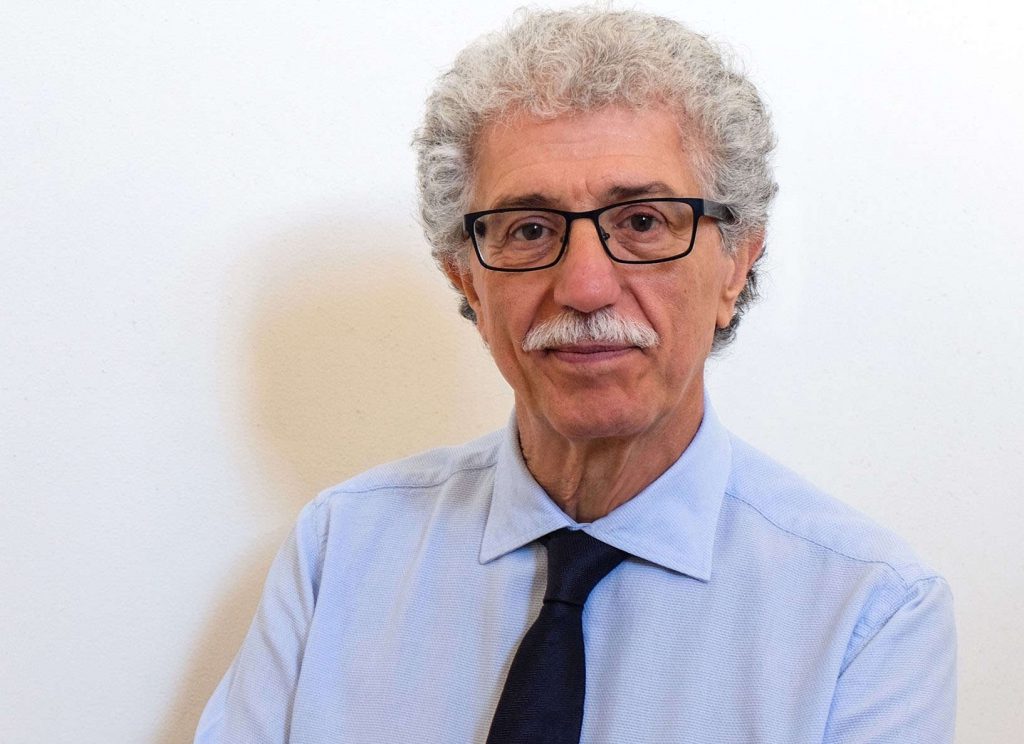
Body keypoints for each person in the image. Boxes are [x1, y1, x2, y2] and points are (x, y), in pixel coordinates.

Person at [195, 8, 956, 743]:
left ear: (736, 263)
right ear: (467, 282)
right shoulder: (339, 551)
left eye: (643, 222)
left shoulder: (868, 613)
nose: (586, 287)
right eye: (530, 230)